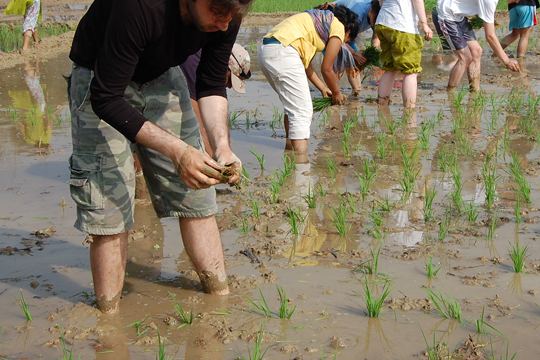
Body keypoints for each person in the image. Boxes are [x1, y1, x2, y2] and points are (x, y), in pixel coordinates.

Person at [67, 0, 252, 314]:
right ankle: (109, 322)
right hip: (100, 78)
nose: (225, 24)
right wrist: (178, 151)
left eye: (232, 16)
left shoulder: (229, 11)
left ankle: (219, 298)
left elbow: (209, 83)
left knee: (199, 194)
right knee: (109, 207)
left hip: (162, 76)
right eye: (218, 13)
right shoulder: (140, 6)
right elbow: (106, 98)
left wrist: (222, 148)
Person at [258, 5, 360, 157]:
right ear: (348, 32)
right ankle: (300, 162)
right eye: (346, 40)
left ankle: (290, 152)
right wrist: (336, 93)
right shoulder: (338, 27)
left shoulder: (318, 22)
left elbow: (308, 66)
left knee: (292, 107)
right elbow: (327, 68)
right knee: (302, 111)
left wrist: (323, 89)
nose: (342, 43)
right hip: (283, 51)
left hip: (267, 50)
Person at [180, 44, 251, 157]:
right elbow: (195, 117)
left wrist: (226, 150)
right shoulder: (194, 63)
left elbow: (219, 117)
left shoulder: (214, 68)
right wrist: (214, 157)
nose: (229, 87)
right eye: (230, 81)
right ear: (224, 67)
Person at [434, 0, 520, 93]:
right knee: (465, 58)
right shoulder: (490, 1)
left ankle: (475, 90)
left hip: (458, 16)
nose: (517, 2)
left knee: (477, 51)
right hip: (446, 14)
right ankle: (450, 92)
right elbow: (490, 36)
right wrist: (507, 61)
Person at [374, 0, 433, 107]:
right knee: (410, 71)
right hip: (402, 25)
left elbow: (381, 2)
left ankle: (382, 104)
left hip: (383, 22)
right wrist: (424, 24)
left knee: (390, 68)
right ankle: (409, 110)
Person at [319, 0, 382, 96]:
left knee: (353, 64)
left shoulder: (378, 14)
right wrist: (354, 53)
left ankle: (357, 92)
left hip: (348, 32)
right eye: (374, 21)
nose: (374, 25)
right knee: (334, 60)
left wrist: (371, 54)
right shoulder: (358, 12)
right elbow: (340, 37)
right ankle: (333, 93)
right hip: (329, 24)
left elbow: (376, 38)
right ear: (371, 12)